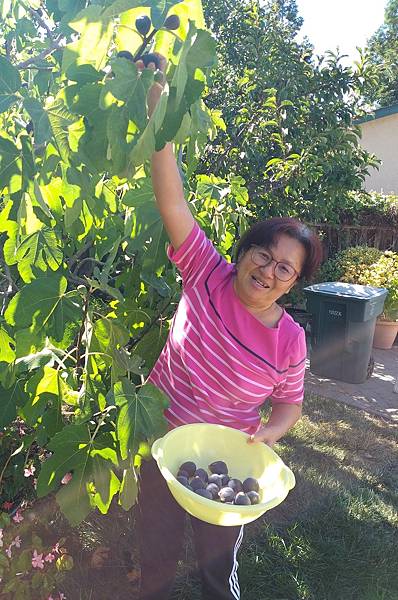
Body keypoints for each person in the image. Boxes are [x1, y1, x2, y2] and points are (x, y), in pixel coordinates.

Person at [135, 54, 323, 600]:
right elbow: (172, 197)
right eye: (262, 255)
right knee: (156, 564)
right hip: (164, 448)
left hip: (226, 465)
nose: (268, 271)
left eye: (284, 268)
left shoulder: (289, 339)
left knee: (218, 576)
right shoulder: (204, 273)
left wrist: (269, 433)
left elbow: (290, 404)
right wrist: (158, 108)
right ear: (243, 253)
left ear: (292, 284)